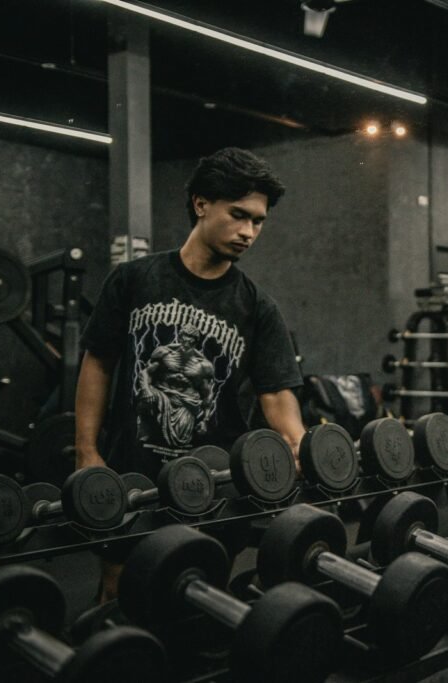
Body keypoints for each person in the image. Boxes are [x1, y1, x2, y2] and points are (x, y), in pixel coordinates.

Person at [75, 147, 306, 601]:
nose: (248, 232)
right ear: (202, 204)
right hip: (132, 474)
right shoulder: (134, 280)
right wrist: (86, 451)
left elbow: (276, 392)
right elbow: (98, 363)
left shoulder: (257, 306)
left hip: (215, 485)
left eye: (258, 221)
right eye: (238, 215)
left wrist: (299, 447)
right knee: (118, 590)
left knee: (200, 593)